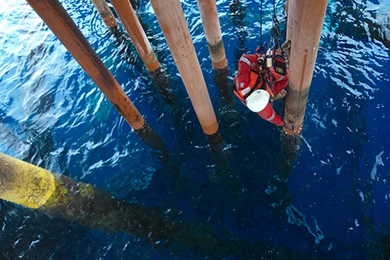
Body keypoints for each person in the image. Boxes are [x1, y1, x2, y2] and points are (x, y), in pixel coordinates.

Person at [233, 50, 289, 127]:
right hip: (265, 81)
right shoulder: (261, 107)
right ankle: (275, 94)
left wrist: (260, 58)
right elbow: (272, 117)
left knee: (284, 76)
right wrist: (284, 124)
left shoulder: (243, 82)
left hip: (261, 74)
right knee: (286, 76)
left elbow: (244, 59)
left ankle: (275, 93)